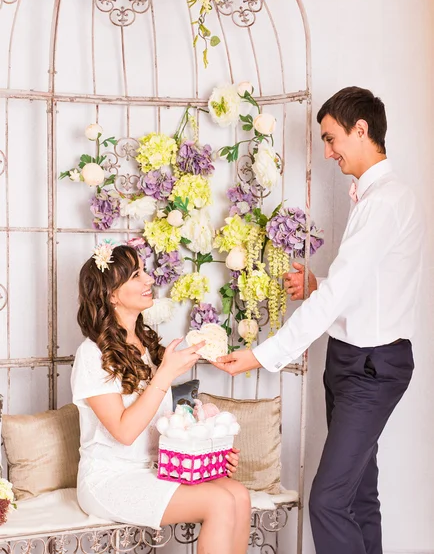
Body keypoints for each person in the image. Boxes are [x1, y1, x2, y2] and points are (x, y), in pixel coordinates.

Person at [214, 87, 424, 554]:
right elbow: (366, 282)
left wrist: (261, 356)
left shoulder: (384, 201)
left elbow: (338, 299)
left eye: (331, 139)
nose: (328, 152)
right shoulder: (375, 198)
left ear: (361, 129)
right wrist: (319, 284)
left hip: (371, 367)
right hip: (352, 360)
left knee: (327, 501)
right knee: (357, 496)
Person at [71, 244, 251, 554]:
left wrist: (210, 452)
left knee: (238, 495)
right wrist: (165, 373)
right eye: (136, 275)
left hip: (158, 468)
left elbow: (166, 423)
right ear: (111, 293)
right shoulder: (91, 354)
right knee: (219, 502)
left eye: (144, 271)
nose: (149, 280)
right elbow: (125, 433)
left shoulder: (146, 344)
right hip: (109, 479)